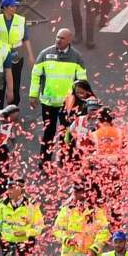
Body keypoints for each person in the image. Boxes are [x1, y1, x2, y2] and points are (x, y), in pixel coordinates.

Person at [29, 27, 88, 160]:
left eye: (62, 38)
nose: (58, 40)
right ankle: (45, 162)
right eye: (57, 37)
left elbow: (82, 81)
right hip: (48, 103)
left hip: (68, 104)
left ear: (69, 40)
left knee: (66, 133)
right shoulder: (45, 54)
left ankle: (64, 159)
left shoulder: (76, 57)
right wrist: (33, 95)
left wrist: (82, 100)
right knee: (48, 133)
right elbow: (35, 75)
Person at [54, 188, 109, 256]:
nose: (76, 195)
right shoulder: (67, 210)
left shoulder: (97, 211)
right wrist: (66, 239)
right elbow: (57, 229)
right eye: (74, 192)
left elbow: (104, 232)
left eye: (79, 191)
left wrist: (95, 248)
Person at [0, 0, 33, 108]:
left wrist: (30, 56)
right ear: (4, 8)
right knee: (0, 84)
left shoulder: (20, 20)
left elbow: (26, 38)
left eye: (15, 6)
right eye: (12, 6)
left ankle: (13, 108)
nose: (14, 8)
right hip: (0, 56)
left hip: (16, 56)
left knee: (15, 83)